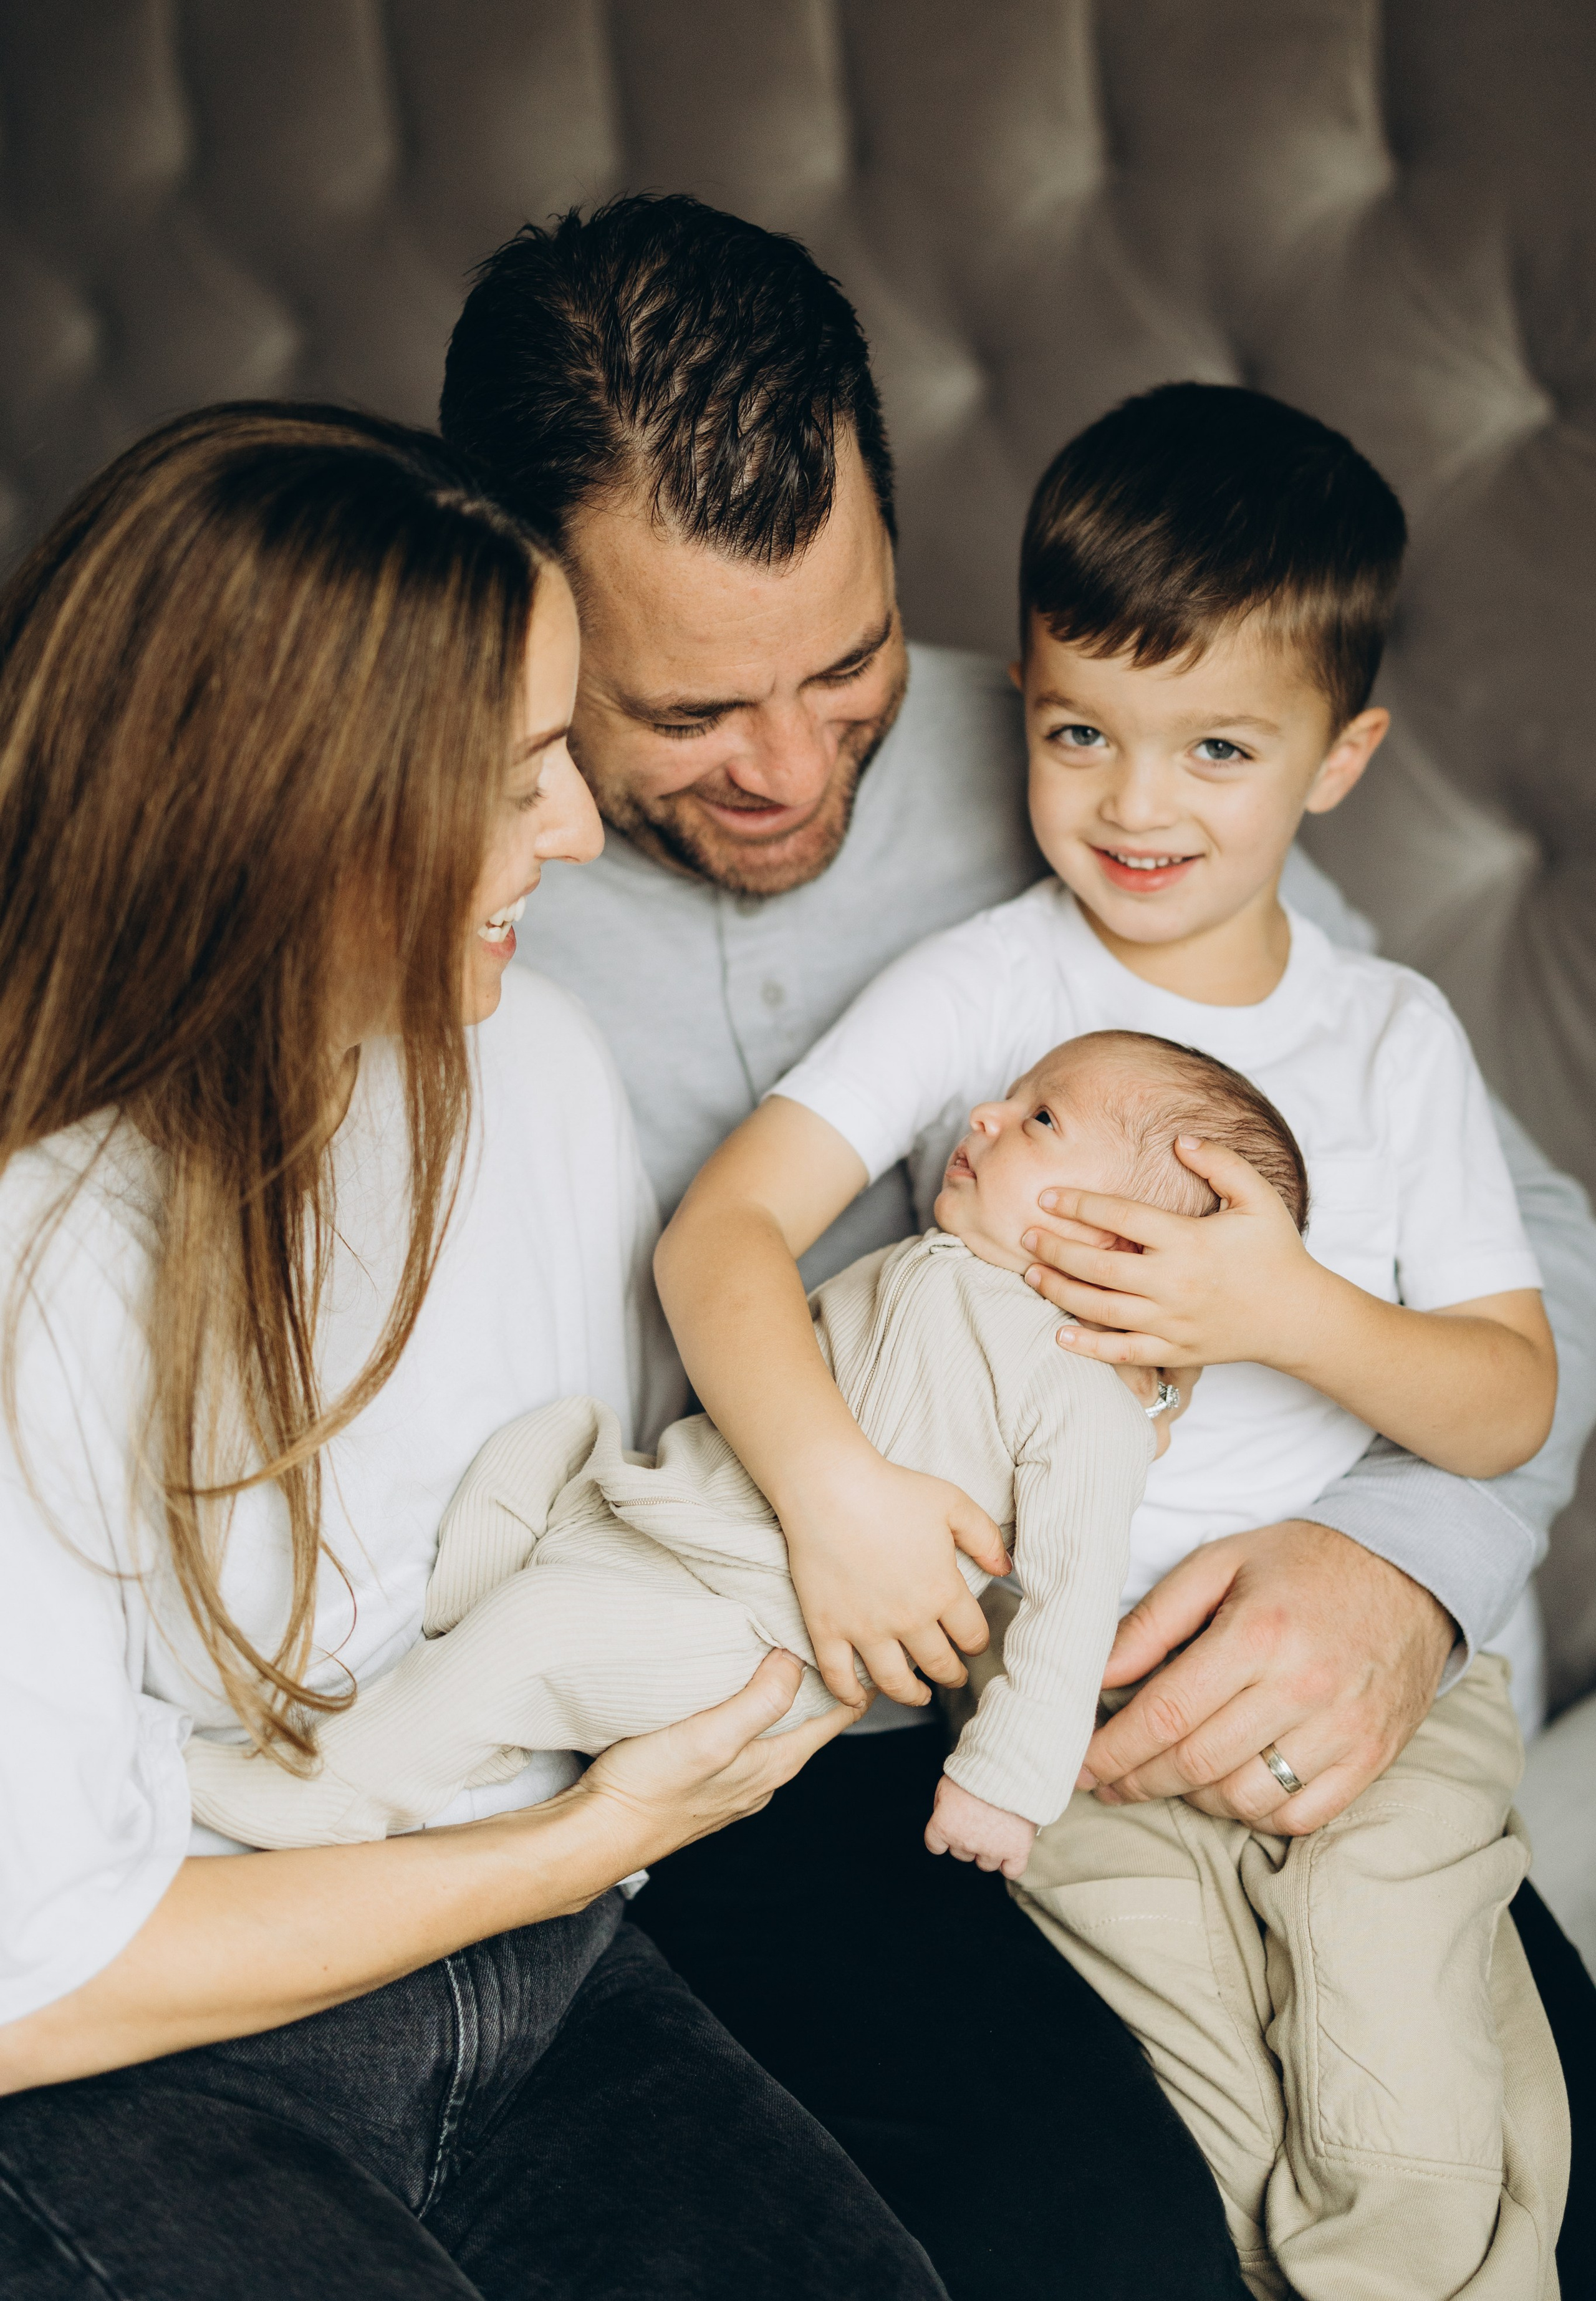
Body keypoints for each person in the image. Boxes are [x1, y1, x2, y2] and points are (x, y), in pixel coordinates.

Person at [438, 194, 1596, 2294]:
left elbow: (1519, 1242)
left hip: (1184, 1639)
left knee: (1551, 2155)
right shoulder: (437, 880)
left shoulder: (1116, 767)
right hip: (775, 1736)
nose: (791, 770)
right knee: (1105, 2232)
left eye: (848, 665)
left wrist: (1404, 1572)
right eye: (687, 713)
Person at [0, 402, 953, 2301]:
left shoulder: (534, 1069)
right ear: (290, 812)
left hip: (548, 1975)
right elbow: (33, 1982)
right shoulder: (45, 1247)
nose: (578, 831)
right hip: (132, 2059)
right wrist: (580, 1844)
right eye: (517, 775)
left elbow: (629, 1521)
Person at [181, 1031, 1311, 1869]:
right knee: (545, 1440)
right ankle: (469, 1709)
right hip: (658, 1518)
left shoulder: (1084, 1397)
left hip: (759, 1641)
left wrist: (1006, 1783)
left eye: (1041, 1121)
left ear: (1127, 1240)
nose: (985, 1116)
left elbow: (1072, 1601)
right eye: (1010, 1098)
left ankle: (341, 1793)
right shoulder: (929, 1262)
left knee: (538, 1633)